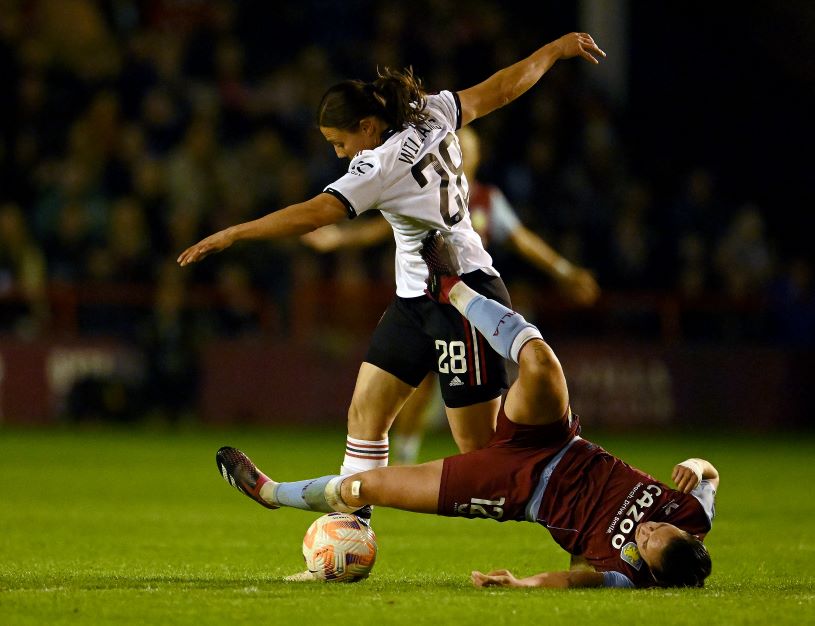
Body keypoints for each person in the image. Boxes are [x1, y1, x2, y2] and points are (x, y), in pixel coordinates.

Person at [179, 33, 606, 524]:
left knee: (485, 459)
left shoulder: (377, 166)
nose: (340, 155)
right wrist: (552, 52)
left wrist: (236, 232)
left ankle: (577, 494)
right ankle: (352, 531)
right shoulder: (430, 111)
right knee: (366, 415)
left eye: (340, 143)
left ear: (366, 125)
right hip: (415, 300)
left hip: (463, 295)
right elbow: (501, 89)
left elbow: (317, 212)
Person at [215, 232, 718, 589]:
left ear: (649, 569)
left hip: (513, 487)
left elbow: (570, 580)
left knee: (366, 489)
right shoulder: (691, 514)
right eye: (659, 528)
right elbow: (709, 473)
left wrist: (520, 583)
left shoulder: (624, 576)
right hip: (556, 441)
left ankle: (269, 491)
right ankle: (453, 289)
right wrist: (696, 467)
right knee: (541, 364)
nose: (647, 528)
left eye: (647, 541)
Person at [301, 124, 601, 463]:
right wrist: (339, 238)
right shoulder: (423, 190)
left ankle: (506, 471)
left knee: (473, 424)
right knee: (414, 388)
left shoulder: (488, 199)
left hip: (467, 307)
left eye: (469, 149)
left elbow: (522, 239)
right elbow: (379, 229)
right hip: (421, 301)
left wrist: (564, 271)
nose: (463, 153)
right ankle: (405, 460)